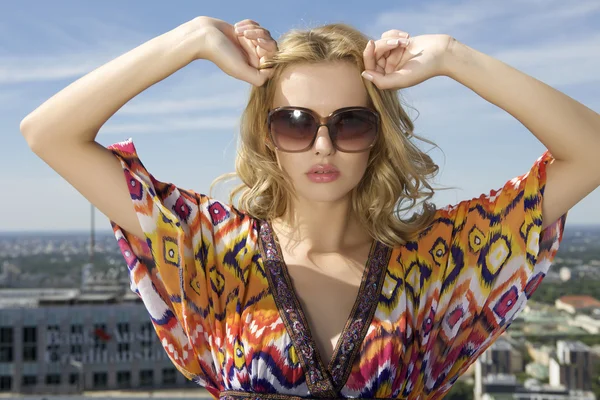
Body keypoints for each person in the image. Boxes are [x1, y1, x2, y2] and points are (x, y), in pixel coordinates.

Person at [20, 14, 599, 400]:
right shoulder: (213, 250)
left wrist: (451, 55)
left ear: (379, 135)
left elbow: (591, 153)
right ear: (267, 134)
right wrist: (193, 38)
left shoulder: (436, 258)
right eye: (294, 122)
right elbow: (47, 131)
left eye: (350, 121)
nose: (323, 145)